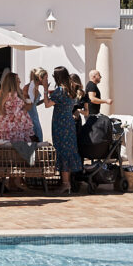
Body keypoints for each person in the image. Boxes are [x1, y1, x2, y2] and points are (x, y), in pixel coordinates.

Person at [44, 66, 82, 194]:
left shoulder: (60, 90)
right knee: (68, 150)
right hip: (69, 124)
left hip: (60, 124)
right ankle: (67, 183)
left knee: (62, 151)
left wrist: (44, 89)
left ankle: (65, 184)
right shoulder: (71, 89)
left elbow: (47, 104)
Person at [23, 67, 49, 142]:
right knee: (35, 138)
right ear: (40, 78)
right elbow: (29, 104)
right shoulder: (31, 87)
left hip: (34, 115)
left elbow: (34, 104)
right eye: (46, 78)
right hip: (30, 117)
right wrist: (45, 89)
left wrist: (44, 100)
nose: (47, 80)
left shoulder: (35, 87)